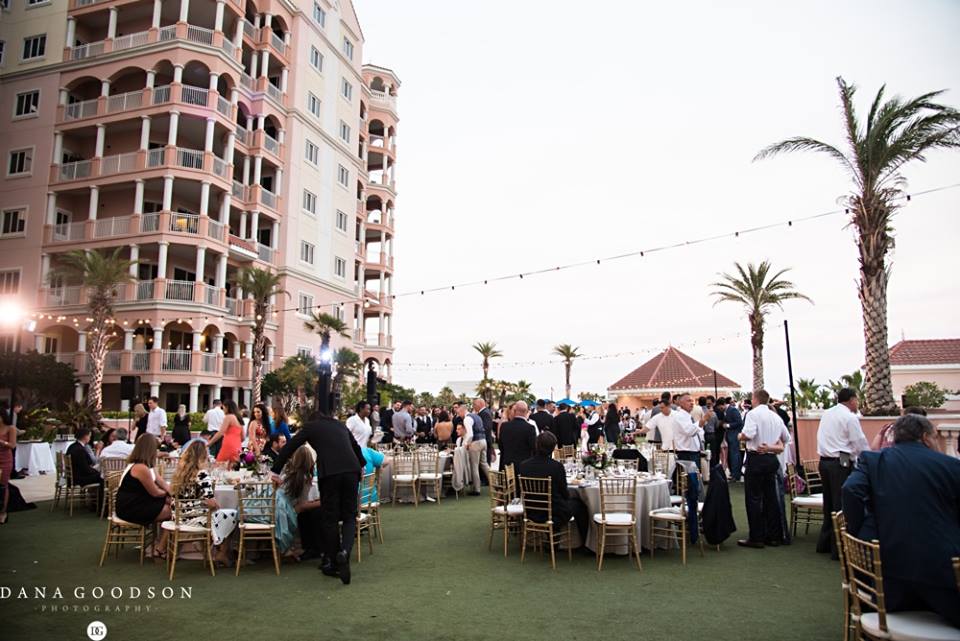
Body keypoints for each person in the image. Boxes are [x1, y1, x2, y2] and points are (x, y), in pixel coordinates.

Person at [843, 414, 960, 626]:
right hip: (944, 580)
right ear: (925, 437)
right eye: (935, 437)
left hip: (886, 583)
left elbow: (851, 489)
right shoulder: (951, 466)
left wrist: (858, 530)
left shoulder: (873, 460)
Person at [270, 411, 365, 585]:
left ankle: (335, 563)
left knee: (330, 518)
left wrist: (275, 470)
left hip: (330, 474)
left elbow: (291, 446)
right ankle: (344, 552)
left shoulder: (311, 427)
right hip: (352, 470)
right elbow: (356, 447)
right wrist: (362, 464)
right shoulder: (340, 425)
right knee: (349, 517)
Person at [815, 387, 869, 558]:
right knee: (840, 506)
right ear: (851, 400)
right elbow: (859, 442)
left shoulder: (828, 413)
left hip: (824, 461)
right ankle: (838, 549)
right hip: (841, 462)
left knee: (829, 503)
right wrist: (867, 460)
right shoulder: (849, 417)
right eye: (857, 400)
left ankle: (825, 543)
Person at [736, 389, 791, 549]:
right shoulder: (775, 416)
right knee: (770, 498)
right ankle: (773, 536)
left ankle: (756, 536)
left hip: (756, 458)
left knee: (753, 498)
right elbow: (786, 438)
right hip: (771, 459)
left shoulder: (753, 414)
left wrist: (740, 436)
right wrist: (772, 445)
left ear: (755, 399)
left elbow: (749, 434)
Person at [516, 431, 590, 545]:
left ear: (537, 445)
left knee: (558, 503)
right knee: (579, 505)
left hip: (531, 511)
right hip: (554, 514)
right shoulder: (556, 467)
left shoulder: (523, 465)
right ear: (552, 448)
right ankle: (585, 543)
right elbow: (564, 494)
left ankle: (550, 539)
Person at [170, 440, 237, 564]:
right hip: (194, 518)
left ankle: (212, 549)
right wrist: (216, 506)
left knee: (218, 515)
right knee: (232, 514)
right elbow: (210, 502)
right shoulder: (202, 475)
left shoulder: (180, 473)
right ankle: (222, 553)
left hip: (178, 517)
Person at [275, 446, 324, 561]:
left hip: (276, 502)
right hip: (285, 507)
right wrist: (321, 502)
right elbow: (302, 505)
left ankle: (307, 547)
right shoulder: (304, 478)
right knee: (307, 512)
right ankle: (308, 547)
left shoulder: (288, 473)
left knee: (308, 513)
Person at [66, 427, 104, 511]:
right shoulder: (79, 450)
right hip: (79, 478)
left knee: (100, 475)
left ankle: (94, 501)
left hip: (74, 476)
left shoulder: (73, 446)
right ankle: (99, 505)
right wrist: (98, 473)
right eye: (89, 436)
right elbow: (86, 469)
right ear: (85, 437)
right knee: (103, 478)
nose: (90, 438)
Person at [498, 401, 537, 473]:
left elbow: (500, 445)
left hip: (507, 465)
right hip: (524, 466)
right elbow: (534, 447)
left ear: (515, 411)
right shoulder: (530, 428)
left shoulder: (504, 426)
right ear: (526, 412)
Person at [458, 403, 488, 496]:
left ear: (463, 411)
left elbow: (470, 434)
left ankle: (476, 489)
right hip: (483, 441)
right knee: (484, 464)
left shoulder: (467, 419)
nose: (459, 415)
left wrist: (466, 443)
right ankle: (495, 483)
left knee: (474, 466)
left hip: (475, 443)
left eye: (459, 412)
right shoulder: (477, 416)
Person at [673, 394, 705, 465]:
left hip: (693, 452)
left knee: (696, 475)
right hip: (687, 453)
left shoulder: (688, 416)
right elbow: (690, 432)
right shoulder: (679, 416)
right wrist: (701, 422)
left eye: (692, 401)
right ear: (681, 403)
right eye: (688, 401)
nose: (691, 403)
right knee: (691, 475)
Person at [722, 396, 744, 481]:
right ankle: (734, 473)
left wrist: (728, 425)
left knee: (735, 455)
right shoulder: (728, 411)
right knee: (732, 455)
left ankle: (735, 474)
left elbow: (739, 422)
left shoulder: (733, 410)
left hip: (734, 436)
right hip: (730, 436)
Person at [0, 411, 17, 524]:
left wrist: (2, 442)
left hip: (5, 459)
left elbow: (12, 445)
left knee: (3, 485)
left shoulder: (11, 428)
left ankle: (3, 511)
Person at [475, 398, 496, 466]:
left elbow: (486, 428)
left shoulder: (485, 413)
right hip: (485, 441)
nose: (473, 406)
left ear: (480, 404)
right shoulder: (484, 412)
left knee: (485, 463)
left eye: (475, 404)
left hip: (485, 441)